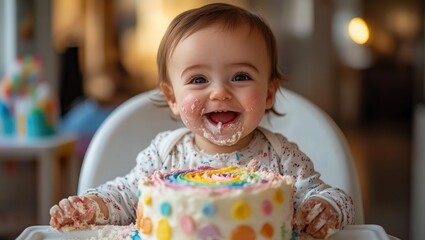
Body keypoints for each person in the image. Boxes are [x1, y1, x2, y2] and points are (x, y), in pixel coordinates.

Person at [49, 3, 354, 238]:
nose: (220, 91)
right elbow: (127, 196)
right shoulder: (165, 153)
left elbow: (333, 196)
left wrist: (324, 209)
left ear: (269, 93)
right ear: (172, 98)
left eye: (241, 76)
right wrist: (92, 206)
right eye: (198, 79)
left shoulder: (281, 157)